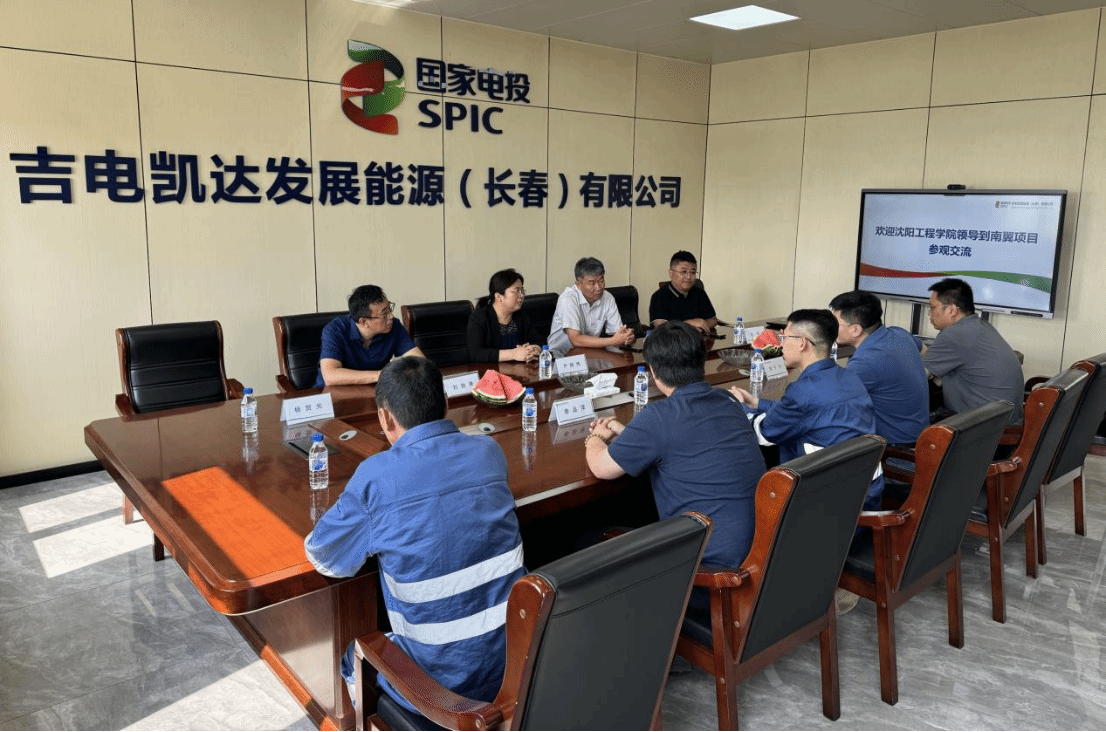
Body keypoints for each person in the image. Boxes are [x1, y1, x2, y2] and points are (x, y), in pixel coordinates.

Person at [304, 357, 526, 712]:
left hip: (441, 689)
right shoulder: (488, 451)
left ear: (385, 418)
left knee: (351, 657)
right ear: (446, 404)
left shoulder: (376, 476)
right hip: (517, 661)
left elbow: (326, 558)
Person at [584, 321, 765, 577]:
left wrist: (595, 437)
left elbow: (601, 467)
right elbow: (686, 441)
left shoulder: (659, 416)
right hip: (756, 556)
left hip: (709, 572)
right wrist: (631, 436)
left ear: (653, 371)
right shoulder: (727, 400)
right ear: (702, 361)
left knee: (587, 539)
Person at [730, 308, 884, 511]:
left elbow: (764, 433)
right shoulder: (849, 377)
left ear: (802, 343)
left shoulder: (804, 391)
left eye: (784, 337)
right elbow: (804, 412)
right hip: (864, 490)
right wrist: (758, 403)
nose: (780, 344)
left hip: (827, 501)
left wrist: (738, 407)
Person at [829, 290, 929, 445]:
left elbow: (830, 401)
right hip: (919, 434)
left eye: (835, 323)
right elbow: (924, 349)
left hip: (896, 447)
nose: (830, 327)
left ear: (856, 330)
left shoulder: (865, 361)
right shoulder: (899, 334)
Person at [924, 278, 1024, 425]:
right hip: (1006, 421)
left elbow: (917, 374)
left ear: (951, 310)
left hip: (985, 429)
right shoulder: (981, 326)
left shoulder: (954, 335)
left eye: (932, 308)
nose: (930, 314)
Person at [315, 285, 425, 387]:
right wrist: (381, 375)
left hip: (375, 391)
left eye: (389, 309)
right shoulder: (335, 330)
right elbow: (330, 376)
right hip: (333, 393)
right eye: (384, 314)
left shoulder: (394, 326)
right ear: (363, 322)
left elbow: (421, 362)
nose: (391, 316)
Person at [547, 257, 636, 355]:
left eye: (601, 281)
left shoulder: (607, 297)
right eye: (592, 283)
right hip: (560, 356)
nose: (598, 287)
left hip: (591, 353)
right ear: (578, 284)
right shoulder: (568, 299)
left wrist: (627, 337)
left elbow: (618, 333)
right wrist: (613, 341)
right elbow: (575, 340)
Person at [466, 268, 544, 362]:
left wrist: (534, 349)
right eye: (517, 291)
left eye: (522, 291)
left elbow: (540, 341)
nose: (522, 295)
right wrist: (513, 354)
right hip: (491, 370)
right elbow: (476, 354)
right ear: (499, 297)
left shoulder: (522, 315)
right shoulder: (479, 319)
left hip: (520, 370)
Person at [648, 250, 719, 334]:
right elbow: (661, 326)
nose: (689, 277)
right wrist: (689, 324)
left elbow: (713, 320)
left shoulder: (699, 293)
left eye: (693, 272)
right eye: (683, 272)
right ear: (671, 273)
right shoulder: (659, 296)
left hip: (697, 339)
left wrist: (702, 325)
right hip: (670, 341)